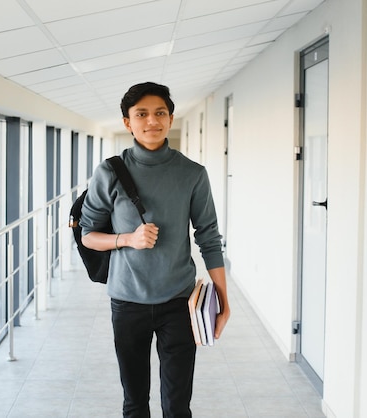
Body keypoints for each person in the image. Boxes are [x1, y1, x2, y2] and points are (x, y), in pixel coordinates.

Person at [80, 81, 230, 417]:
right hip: (127, 301)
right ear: (127, 122)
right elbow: (88, 234)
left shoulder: (192, 174)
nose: (152, 121)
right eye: (142, 114)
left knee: (177, 405)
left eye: (160, 112)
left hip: (178, 301)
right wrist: (127, 239)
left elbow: (208, 237)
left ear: (171, 118)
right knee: (134, 403)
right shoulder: (110, 173)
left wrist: (223, 299)